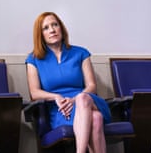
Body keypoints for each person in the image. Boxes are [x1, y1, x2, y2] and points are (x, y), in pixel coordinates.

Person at [25, 12, 111, 153]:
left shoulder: (81, 53)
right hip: (61, 109)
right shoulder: (33, 59)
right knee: (96, 118)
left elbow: (92, 86)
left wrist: (74, 99)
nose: (52, 30)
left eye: (55, 25)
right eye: (46, 28)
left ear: (61, 28)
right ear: (40, 34)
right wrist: (57, 97)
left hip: (87, 100)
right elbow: (34, 92)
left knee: (83, 98)